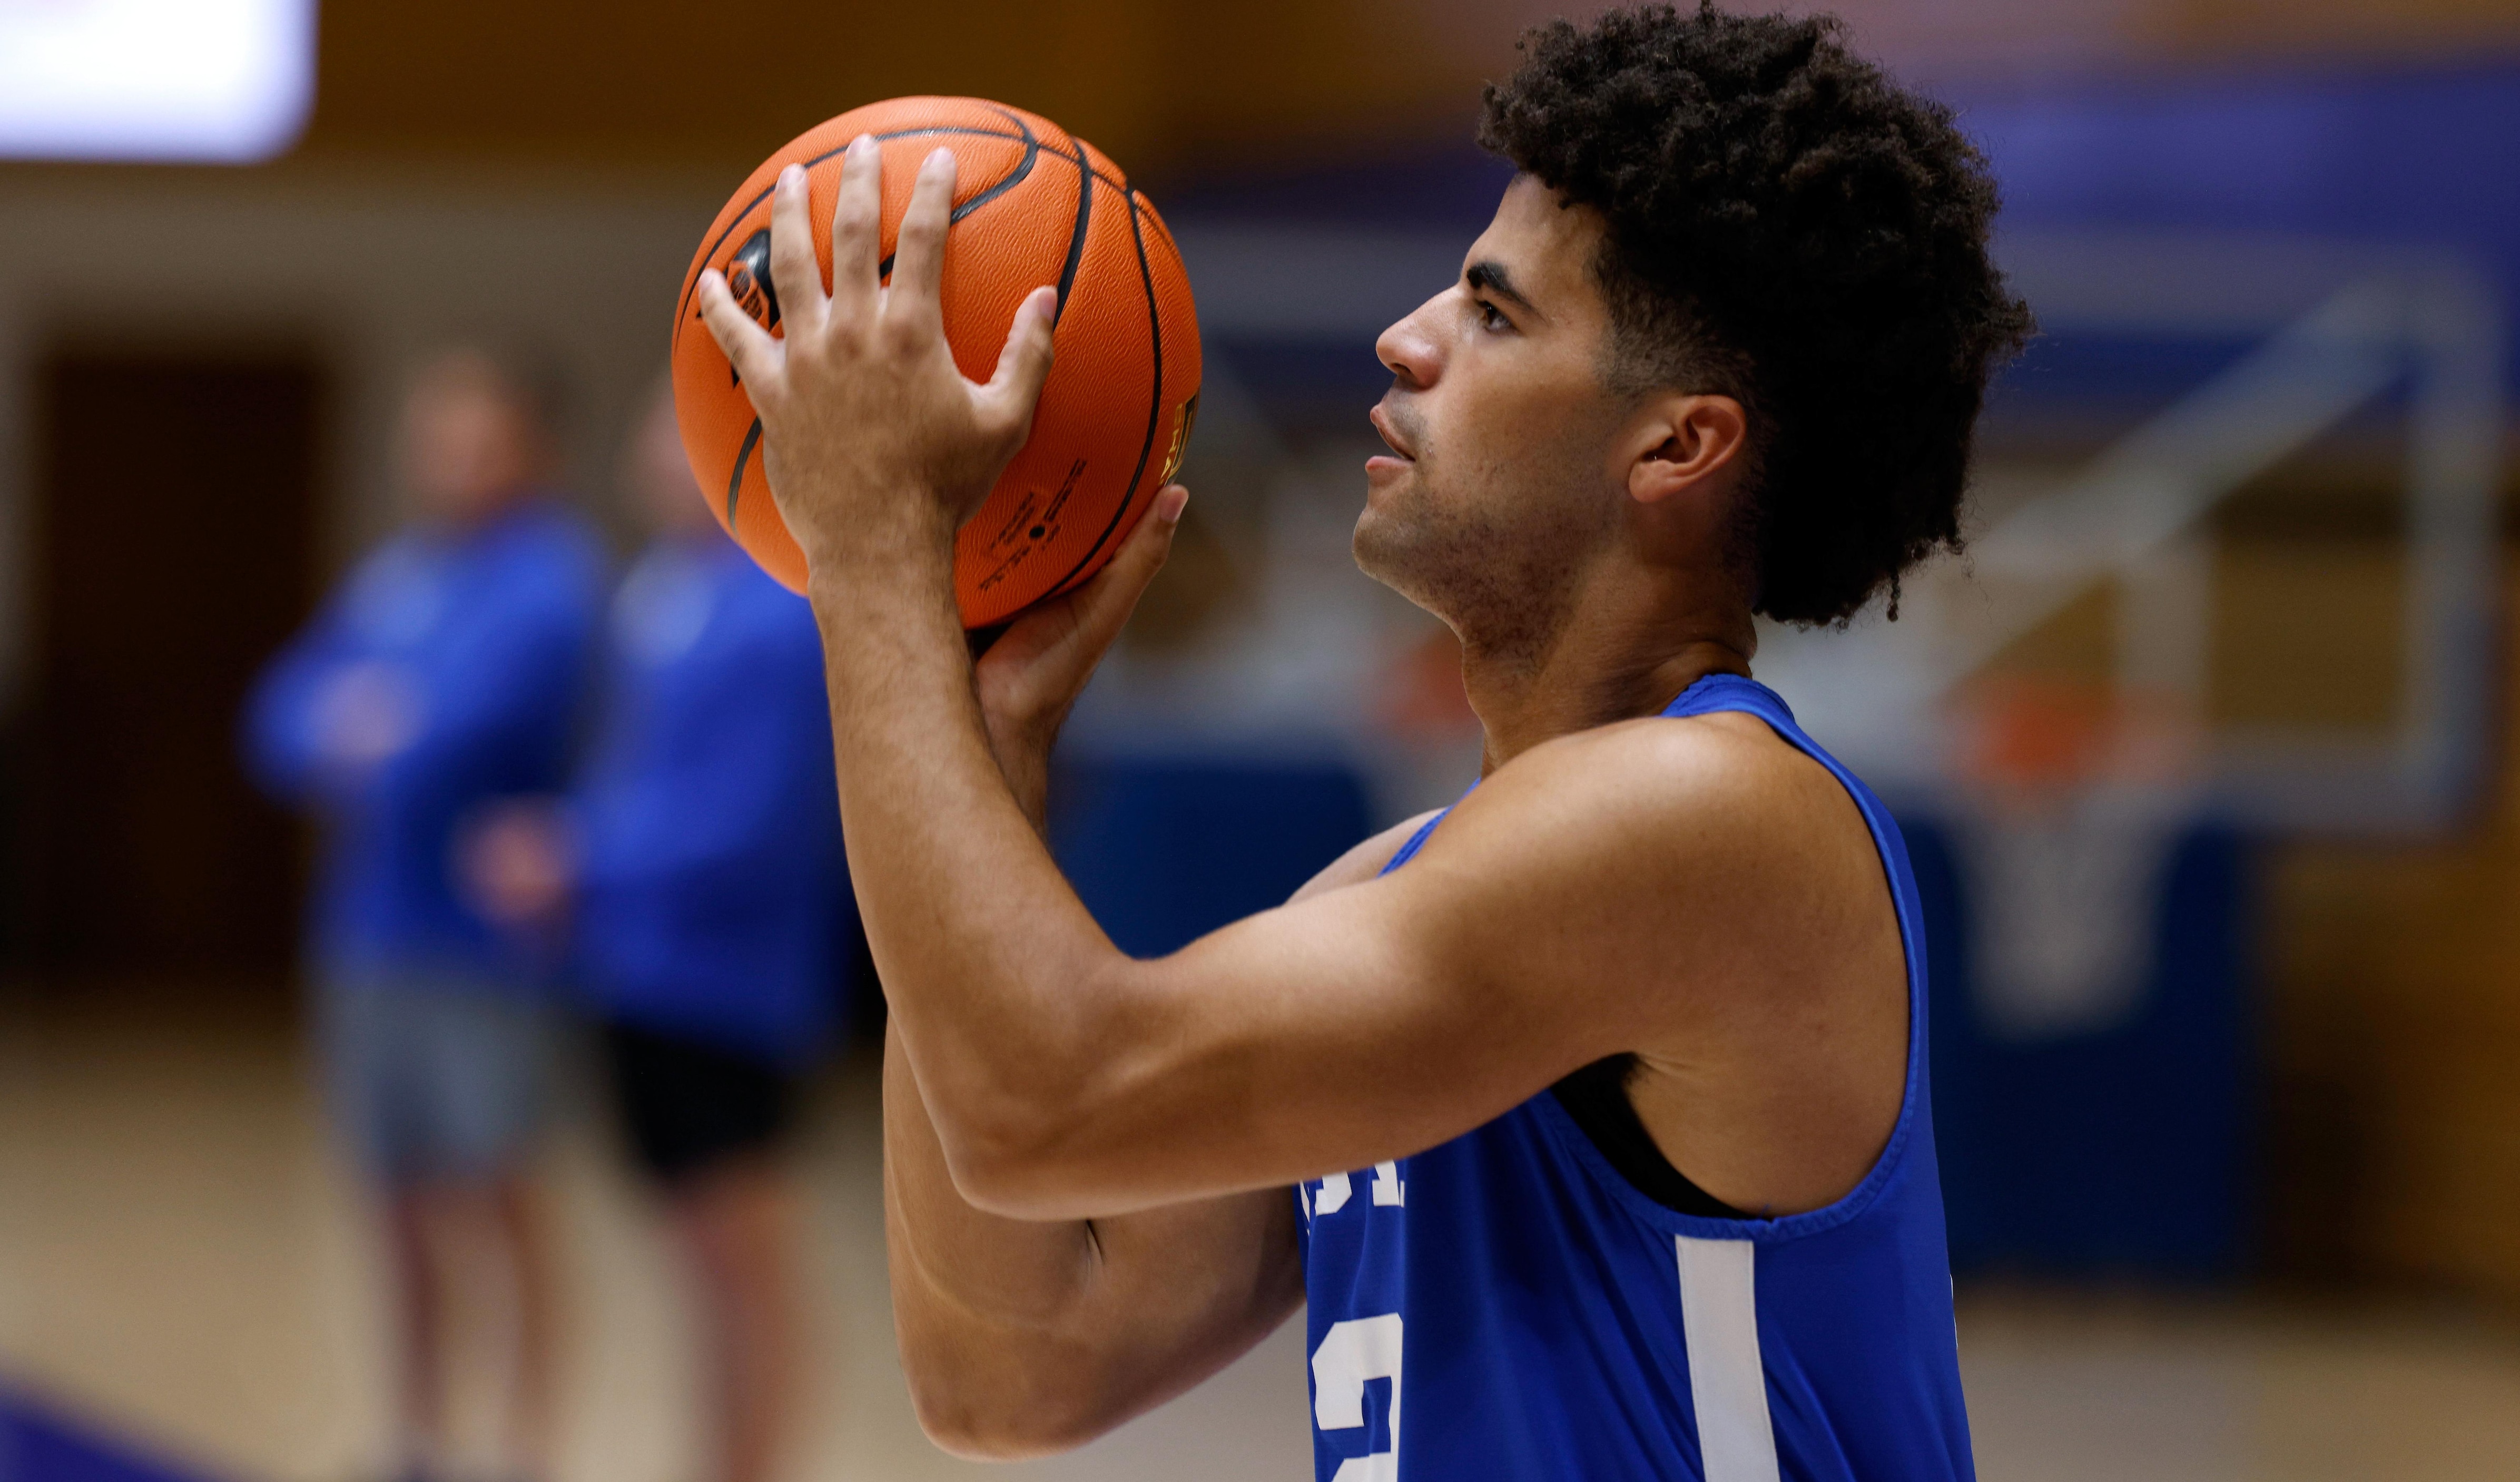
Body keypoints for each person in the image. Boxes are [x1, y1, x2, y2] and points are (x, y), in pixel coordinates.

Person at [696, 5, 2029, 1477]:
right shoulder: (1407, 889)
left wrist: (878, 556)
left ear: (1676, 447)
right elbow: (1014, 1364)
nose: (1405, 338)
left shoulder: (1711, 818)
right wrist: (988, 749)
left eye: (1495, 311)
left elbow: (1045, 1101)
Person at [466, 379, 853, 1482]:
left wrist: (578, 858)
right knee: (695, 1260)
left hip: (726, 981)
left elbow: (759, 814)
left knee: (745, 1259)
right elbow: (640, 779)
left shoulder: (777, 606)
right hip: (638, 970)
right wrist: (568, 851)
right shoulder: (659, 591)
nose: (660, 458)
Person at [243, 348, 601, 1482]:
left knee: (502, 1202)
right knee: (393, 1206)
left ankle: (522, 1449)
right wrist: (349, 724)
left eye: (476, 437)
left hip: (483, 951)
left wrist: (370, 722)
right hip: (369, 939)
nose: (449, 459)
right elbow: (279, 715)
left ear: (529, 448)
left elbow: (453, 730)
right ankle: (417, 1441)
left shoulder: (552, 580)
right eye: (435, 434)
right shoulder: (398, 574)